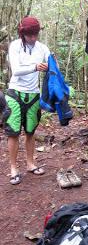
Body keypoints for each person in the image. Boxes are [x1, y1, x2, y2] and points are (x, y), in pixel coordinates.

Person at [4, 16, 50, 185]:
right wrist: (35, 67)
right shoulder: (15, 46)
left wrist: (51, 66)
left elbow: (52, 65)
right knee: (13, 131)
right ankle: (14, 168)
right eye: (29, 35)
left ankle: (31, 164)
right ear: (23, 33)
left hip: (33, 95)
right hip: (15, 93)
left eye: (35, 34)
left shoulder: (42, 48)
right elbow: (16, 70)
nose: (33, 38)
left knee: (30, 131)